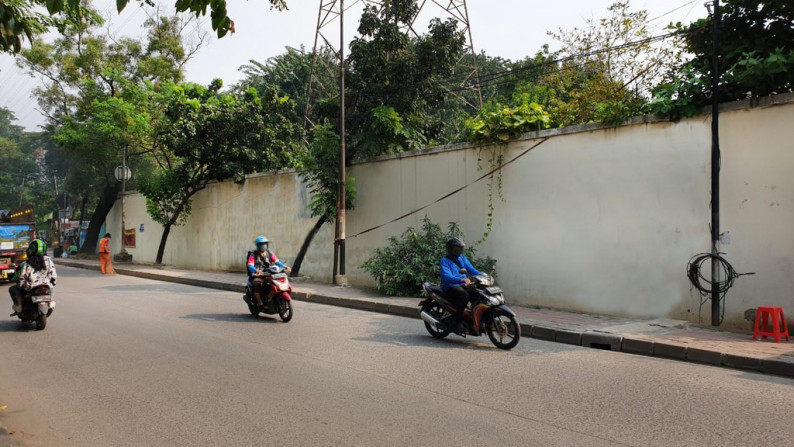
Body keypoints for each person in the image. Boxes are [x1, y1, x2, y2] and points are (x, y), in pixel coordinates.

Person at [440, 237, 482, 334]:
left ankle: (472, 318)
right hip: (451, 286)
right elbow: (447, 277)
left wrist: (482, 276)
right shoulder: (444, 261)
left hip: (462, 285)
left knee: (478, 295)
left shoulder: (462, 258)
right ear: (451, 249)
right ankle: (457, 322)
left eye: (460, 248)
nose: (459, 250)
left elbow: (471, 270)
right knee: (464, 295)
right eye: (457, 248)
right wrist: (461, 279)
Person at [10, 239, 57, 316]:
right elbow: (54, 275)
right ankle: (50, 301)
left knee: (13, 289)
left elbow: (22, 276)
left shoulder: (27, 263)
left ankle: (19, 305)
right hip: (46, 286)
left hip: (30, 287)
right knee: (51, 288)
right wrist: (53, 282)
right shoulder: (48, 261)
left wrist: (21, 285)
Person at [247, 236, 291, 309]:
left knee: (276, 281)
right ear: (258, 245)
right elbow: (250, 265)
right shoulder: (253, 254)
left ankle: (271, 297)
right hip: (257, 275)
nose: (263, 246)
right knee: (257, 284)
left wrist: (284, 266)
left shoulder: (269, 253)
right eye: (261, 244)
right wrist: (256, 270)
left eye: (265, 244)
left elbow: (277, 261)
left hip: (269, 273)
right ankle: (259, 302)